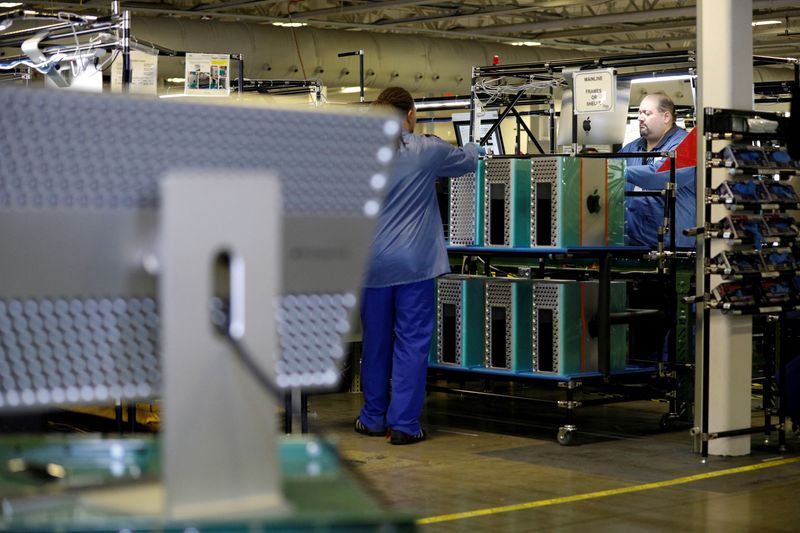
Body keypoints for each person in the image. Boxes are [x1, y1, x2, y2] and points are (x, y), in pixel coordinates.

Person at [355, 87, 482, 445]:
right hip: (413, 265)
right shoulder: (424, 150)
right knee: (411, 342)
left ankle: (372, 417)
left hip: (371, 265)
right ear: (410, 114)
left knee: (375, 343)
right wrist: (478, 147)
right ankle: (405, 425)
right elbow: (468, 160)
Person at [619, 91, 695, 248]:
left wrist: (618, 171)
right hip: (635, 244)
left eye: (647, 113)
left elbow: (660, 174)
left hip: (674, 246)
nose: (640, 118)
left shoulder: (687, 146)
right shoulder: (633, 147)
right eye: (639, 113)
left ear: (666, 117)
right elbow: (605, 168)